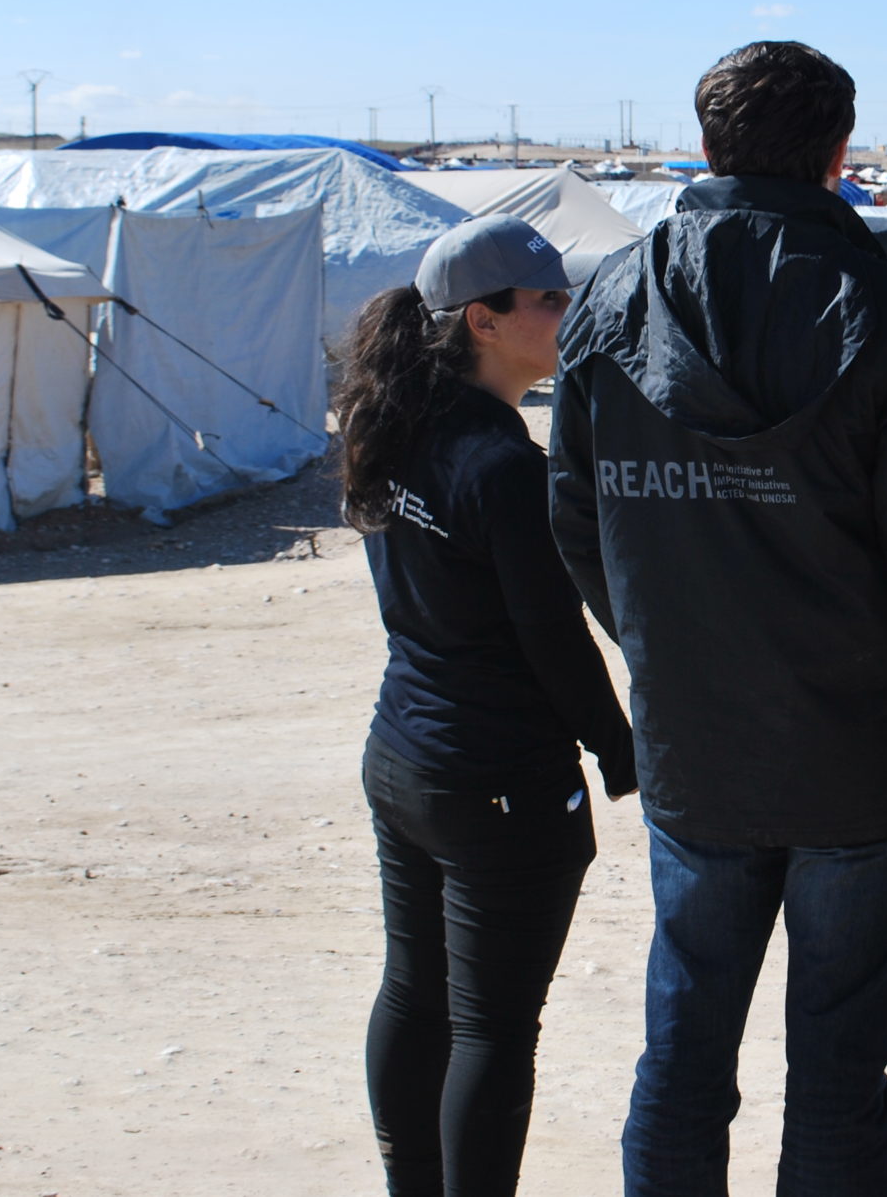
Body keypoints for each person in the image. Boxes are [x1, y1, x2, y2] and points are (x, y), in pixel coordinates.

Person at [549, 40, 887, 1197]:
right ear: (839, 155)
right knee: (834, 1067)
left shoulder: (608, 297)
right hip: (862, 754)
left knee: (685, 1051)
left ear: (707, 148)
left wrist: (665, 645)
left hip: (704, 749)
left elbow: (579, 527)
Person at [335, 214, 638, 1197]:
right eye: (551, 300)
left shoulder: (396, 422)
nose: (570, 313)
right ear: (483, 320)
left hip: (406, 758)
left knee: (418, 996)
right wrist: (621, 748)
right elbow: (552, 635)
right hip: (492, 781)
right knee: (491, 1026)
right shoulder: (501, 465)